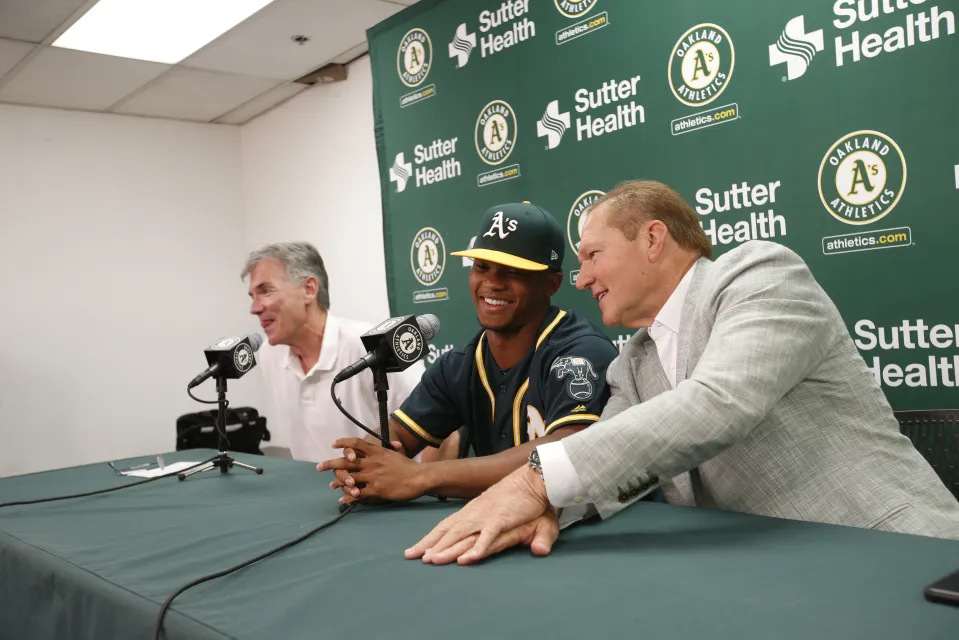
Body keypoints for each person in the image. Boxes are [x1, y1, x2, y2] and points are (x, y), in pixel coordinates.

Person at [405, 180, 959, 565]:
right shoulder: (634, 361)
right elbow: (610, 456)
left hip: (903, 556)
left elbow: (715, 403)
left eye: (592, 255)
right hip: (776, 576)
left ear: (652, 239)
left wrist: (535, 481)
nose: (580, 278)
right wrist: (551, 508)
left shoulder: (760, 275)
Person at [319, 202, 620, 507]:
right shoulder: (459, 364)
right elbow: (399, 433)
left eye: (513, 271)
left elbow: (569, 450)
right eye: (482, 267)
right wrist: (364, 464)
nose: (492, 283)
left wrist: (421, 476)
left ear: (550, 283)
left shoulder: (580, 352)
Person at [242, 242, 425, 464]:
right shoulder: (269, 355)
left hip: (389, 493)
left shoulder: (370, 346)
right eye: (253, 296)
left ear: (309, 289)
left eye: (265, 291)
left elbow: (439, 427)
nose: (255, 308)